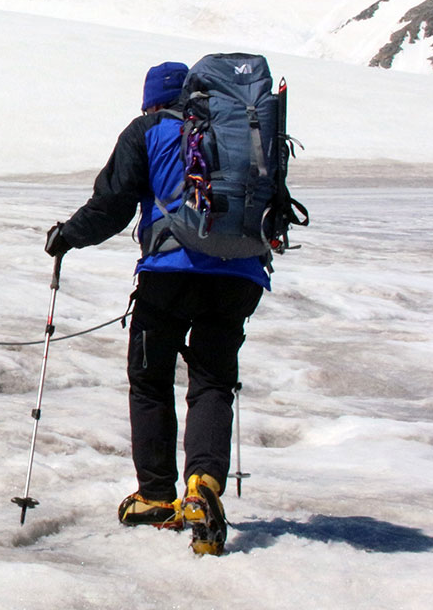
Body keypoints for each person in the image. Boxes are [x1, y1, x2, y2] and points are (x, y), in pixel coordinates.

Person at [43, 61, 268, 556]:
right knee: (212, 379)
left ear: (151, 98)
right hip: (239, 274)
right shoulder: (236, 132)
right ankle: (204, 484)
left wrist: (67, 237)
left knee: (151, 380)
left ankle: (157, 496)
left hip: (168, 274)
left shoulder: (148, 130)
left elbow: (112, 204)